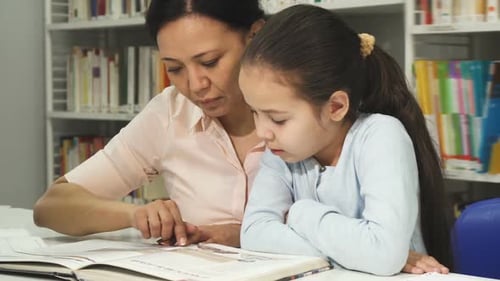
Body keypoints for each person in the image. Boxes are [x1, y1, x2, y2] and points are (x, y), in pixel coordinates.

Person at [34, 0, 446, 274]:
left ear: (255, 37)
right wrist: (136, 215)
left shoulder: (334, 131)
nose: (195, 85)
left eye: (210, 61)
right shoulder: (173, 116)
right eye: (174, 68)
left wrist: (294, 215)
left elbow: (379, 249)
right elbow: (52, 206)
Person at [238, 4, 453, 276]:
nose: (262, 132)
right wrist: (357, 253)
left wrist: (299, 214)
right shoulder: (279, 151)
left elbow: (382, 254)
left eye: (278, 119)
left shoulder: (380, 136)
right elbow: (255, 235)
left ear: (336, 107)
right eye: (254, 113)